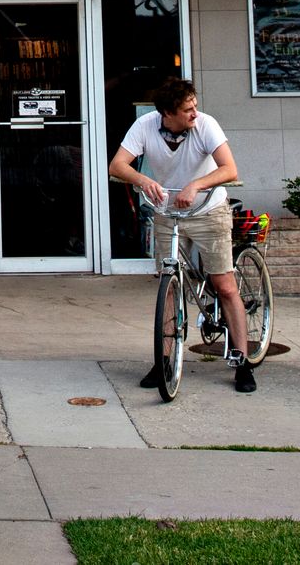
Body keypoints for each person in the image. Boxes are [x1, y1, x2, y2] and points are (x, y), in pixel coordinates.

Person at [109, 78, 255, 393]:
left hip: (207, 211)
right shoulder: (146, 126)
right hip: (167, 213)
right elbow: (118, 165)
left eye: (195, 106)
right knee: (169, 283)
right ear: (167, 113)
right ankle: (164, 360)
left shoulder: (206, 125)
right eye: (187, 109)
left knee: (224, 285)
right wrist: (142, 179)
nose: (194, 113)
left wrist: (196, 184)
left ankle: (242, 359)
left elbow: (230, 169)